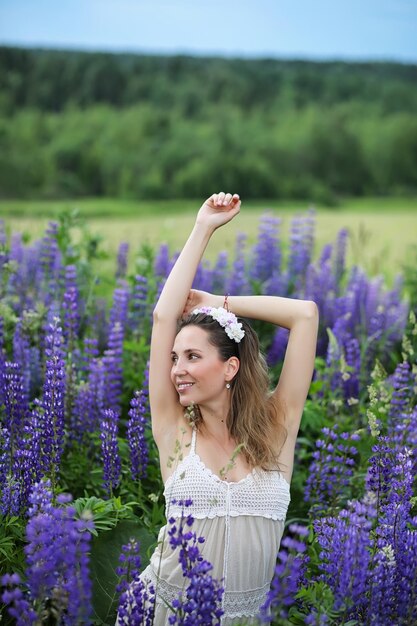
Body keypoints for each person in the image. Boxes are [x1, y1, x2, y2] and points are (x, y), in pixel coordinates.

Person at [127, 192, 318, 625]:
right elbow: (163, 317)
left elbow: (305, 315)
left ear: (230, 367)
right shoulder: (176, 432)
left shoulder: (275, 429)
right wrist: (203, 227)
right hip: (164, 613)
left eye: (193, 357)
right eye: (175, 358)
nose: (177, 369)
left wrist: (221, 303)